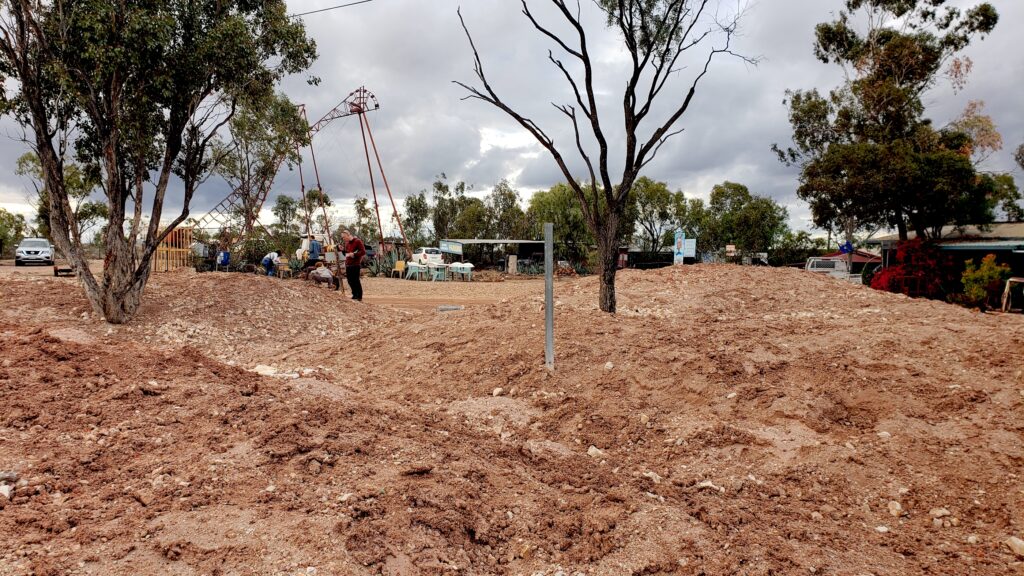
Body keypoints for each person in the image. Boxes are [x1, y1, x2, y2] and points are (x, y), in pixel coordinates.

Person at [340, 229, 365, 301]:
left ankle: (359, 296)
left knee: (356, 280)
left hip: (355, 264)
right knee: (349, 280)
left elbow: (363, 252)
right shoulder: (347, 243)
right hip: (348, 264)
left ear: (348, 235)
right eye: (342, 238)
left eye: (344, 237)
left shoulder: (357, 241)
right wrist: (342, 250)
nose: (343, 239)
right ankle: (354, 294)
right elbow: (346, 254)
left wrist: (354, 254)